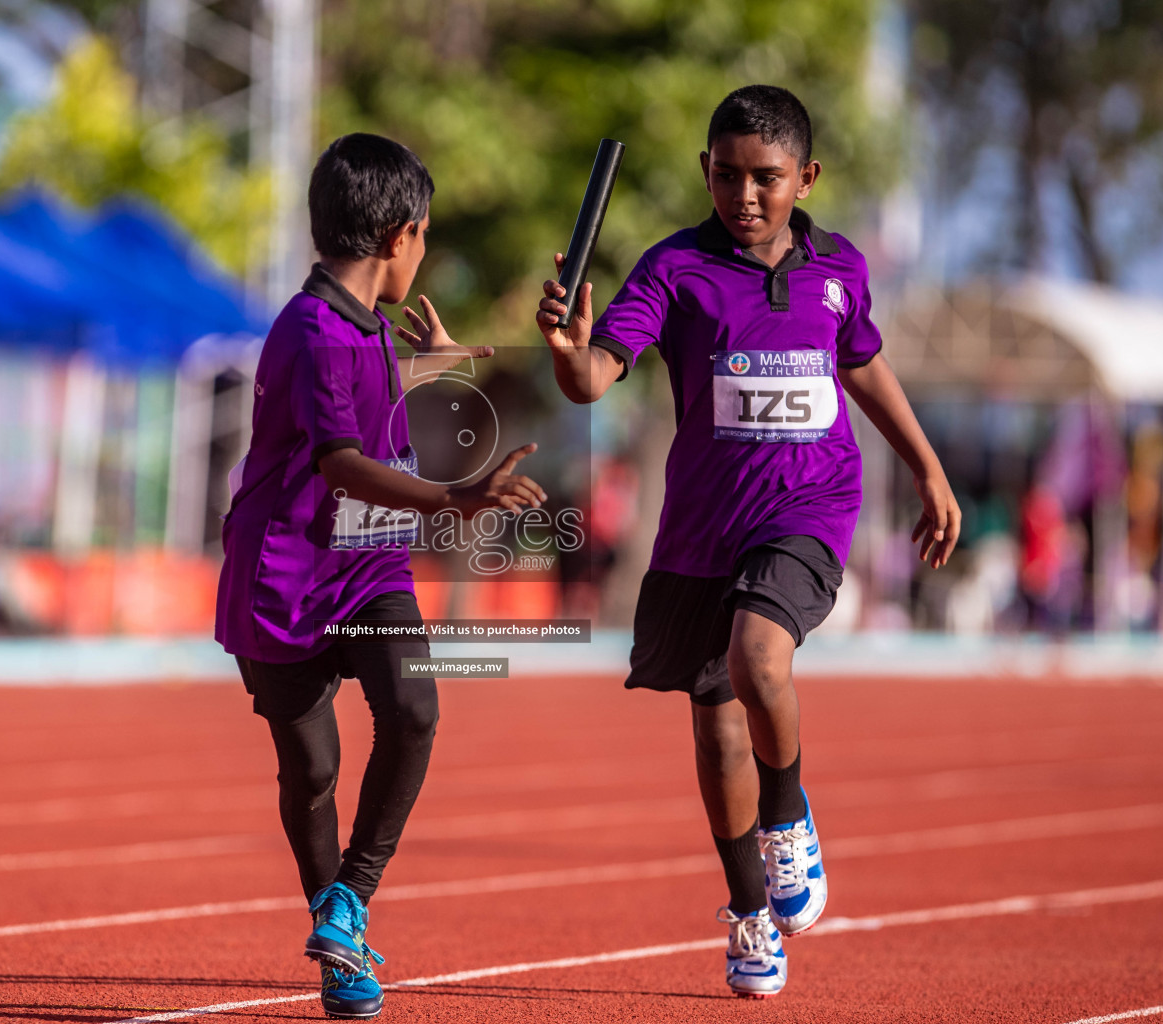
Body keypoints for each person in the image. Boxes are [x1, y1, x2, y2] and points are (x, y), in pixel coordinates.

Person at [536, 85, 960, 998]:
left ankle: (787, 814)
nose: (746, 196)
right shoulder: (672, 268)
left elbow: (864, 364)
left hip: (810, 507)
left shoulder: (839, 268)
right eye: (727, 176)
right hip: (702, 525)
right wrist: (571, 350)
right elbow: (594, 378)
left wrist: (926, 466)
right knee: (718, 724)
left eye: (766, 178)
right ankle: (747, 913)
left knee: (760, 657)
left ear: (805, 178)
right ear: (706, 170)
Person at [217, 132, 546, 1020]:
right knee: (313, 771)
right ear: (400, 235)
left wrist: (431, 372)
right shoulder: (315, 331)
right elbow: (343, 463)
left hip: (365, 566)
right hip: (280, 581)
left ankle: (347, 902)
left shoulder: (361, 328)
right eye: (428, 235)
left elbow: (373, 430)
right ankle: (341, 945)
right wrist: (460, 496)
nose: (426, 251)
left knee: (412, 708)